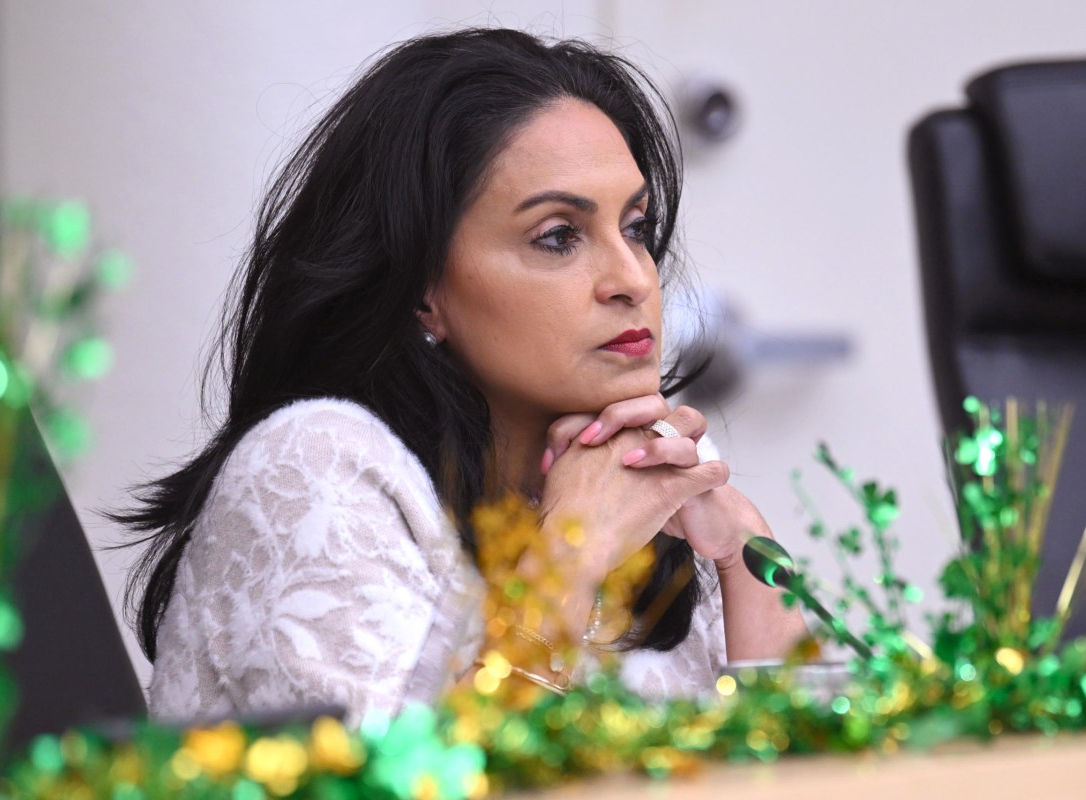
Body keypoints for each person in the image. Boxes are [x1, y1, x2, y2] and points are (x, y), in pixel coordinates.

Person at [118, 27, 807, 725]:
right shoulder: (315, 469)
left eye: (635, 227)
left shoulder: (655, 483)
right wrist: (569, 559)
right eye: (559, 237)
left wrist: (744, 553)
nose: (633, 279)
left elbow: (842, 763)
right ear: (424, 291)